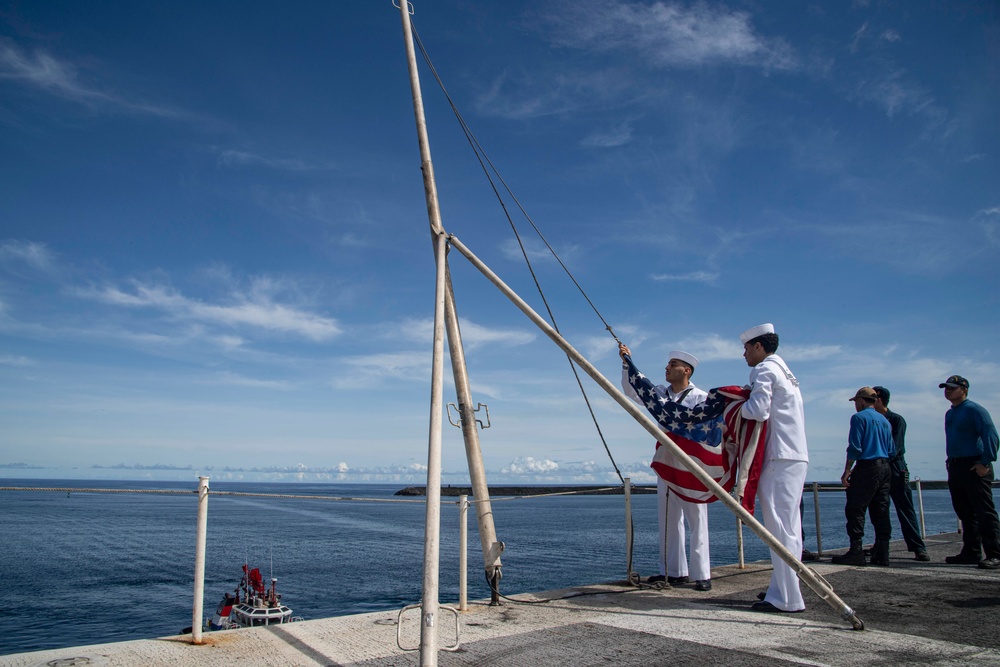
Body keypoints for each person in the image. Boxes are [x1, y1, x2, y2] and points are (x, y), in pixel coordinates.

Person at [618, 343, 712, 591]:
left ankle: (702, 573)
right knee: (669, 517)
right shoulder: (660, 393)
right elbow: (634, 391)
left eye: (673, 365)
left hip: (693, 463)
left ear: (686, 371)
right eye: (668, 364)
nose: (667, 368)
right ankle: (674, 571)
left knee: (696, 518)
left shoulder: (700, 398)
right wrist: (627, 363)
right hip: (667, 458)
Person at [739, 323, 808, 613]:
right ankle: (781, 589)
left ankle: (788, 599)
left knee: (779, 528)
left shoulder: (765, 370)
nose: (744, 355)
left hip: (778, 456)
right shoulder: (788, 373)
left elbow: (757, 410)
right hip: (794, 455)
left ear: (758, 346)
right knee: (790, 528)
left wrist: (732, 409)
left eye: (746, 348)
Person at [940, 375, 1000, 569]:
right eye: (946, 388)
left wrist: (986, 462)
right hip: (956, 466)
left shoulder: (975, 410)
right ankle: (971, 551)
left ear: (964, 390)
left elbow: (991, 434)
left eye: (952, 388)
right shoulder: (950, 413)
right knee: (965, 512)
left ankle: (995, 553)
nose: (947, 391)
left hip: (974, 465)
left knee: (984, 511)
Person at [831, 387, 894, 566]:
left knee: (855, 509)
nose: (855, 405)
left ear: (861, 400)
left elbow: (855, 447)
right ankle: (883, 552)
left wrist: (847, 471)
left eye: (856, 402)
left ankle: (856, 551)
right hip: (885, 467)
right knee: (881, 510)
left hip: (868, 466)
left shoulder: (859, 418)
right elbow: (891, 449)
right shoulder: (884, 421)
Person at [872, 386, 929, 561]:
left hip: (895, 468)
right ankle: (880, 546)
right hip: (879, 468)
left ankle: (918, 547)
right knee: (879, 509)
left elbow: (896, 447)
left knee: (904, 508)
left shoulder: (896, 420)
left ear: (879, 400)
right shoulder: (873, 420)